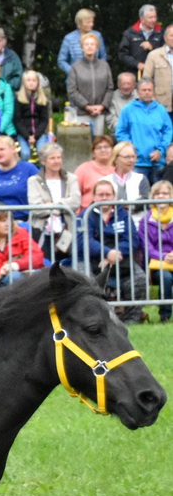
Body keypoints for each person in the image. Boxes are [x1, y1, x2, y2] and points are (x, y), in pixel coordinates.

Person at [79, 180, 146, 317]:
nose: (104, 198)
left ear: (114, 196)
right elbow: (84, 240)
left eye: (108, 194)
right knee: (84, 280)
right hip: (92, 260)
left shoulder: (123, 214)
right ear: (94, 196)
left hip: (121, 259)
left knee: (140, 278)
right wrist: (107, 253)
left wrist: (115, 255)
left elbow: (132, 239)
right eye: (100, 194)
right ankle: (92, 318)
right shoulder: (86, 215)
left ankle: (132, 318)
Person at [115, 79, 171, 184]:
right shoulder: (128, 110)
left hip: (157, 162)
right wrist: (131, 149)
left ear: (153, 92)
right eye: (144, 90)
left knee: (158, 194)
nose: (147, 92)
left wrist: (161, 150)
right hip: (136, 162)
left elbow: (168, 132)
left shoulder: (161, 110)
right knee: (137, 195)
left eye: (149, 90)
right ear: (137, 91)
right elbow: (121, 132)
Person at [67, 33, 114, 142]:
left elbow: (110, 88)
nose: (89, 46)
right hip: (82, 113)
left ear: (97, 47)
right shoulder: (75, 67)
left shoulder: (104, 66)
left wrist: (102, 106)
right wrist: (87, 106)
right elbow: (72, 91)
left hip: (99, 113)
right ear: (82, 47)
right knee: (82, 143)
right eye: (86, 44)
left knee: (97, 143)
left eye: (92, 44)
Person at [141, 193, 173, 322]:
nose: (161, 196)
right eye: (158, 193)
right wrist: (163, 256)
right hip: (157, 264)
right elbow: (146, 246)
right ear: (152, 197)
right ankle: (165, 315)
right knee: (165, 277)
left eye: (165, 193)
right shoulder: (146, 220)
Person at [119, 4, 163, 76]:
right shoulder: (130, 33)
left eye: (155, 17)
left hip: (156, 74)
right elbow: (123, 54)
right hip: (135, 74)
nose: (154, 20)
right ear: (142, 19)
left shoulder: (162, 33)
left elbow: (166, 53)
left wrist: (152, 48)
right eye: (150, 17)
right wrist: (137, 64)